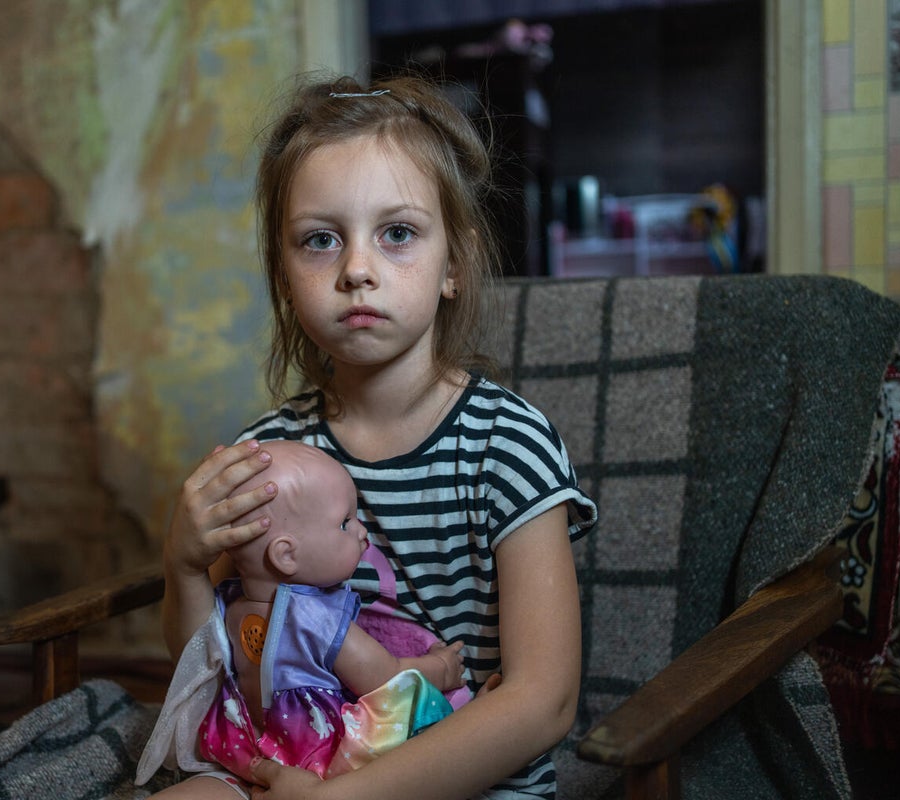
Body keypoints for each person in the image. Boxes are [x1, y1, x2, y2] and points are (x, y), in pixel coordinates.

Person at [161, 72, 597, 800]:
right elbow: (221, 677)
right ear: (284, 275)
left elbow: (543, 701)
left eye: (397, 234)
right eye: (320, 240)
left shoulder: (507, 445)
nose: (357, 271)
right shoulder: (270, 457)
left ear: (453, 264)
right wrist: (181, 566)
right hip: (300, 766)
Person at [137, 440, 466, 792]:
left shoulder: (230, 604)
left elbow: (200, 661)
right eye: (345, 523)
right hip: (319, 759)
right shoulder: (318, 618)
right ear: (286, 555)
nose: (362, 531)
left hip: (246, 746)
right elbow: (386, 676)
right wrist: (442, 669)